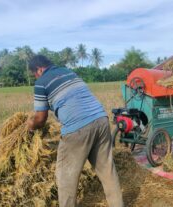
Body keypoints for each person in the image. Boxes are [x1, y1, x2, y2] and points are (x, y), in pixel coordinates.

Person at [27, 55, 123, 207]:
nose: (35, 77)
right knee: (107, 171)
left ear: (39, 69)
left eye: (34, 74)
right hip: (101, 119)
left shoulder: (41, 82)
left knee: (66, 177)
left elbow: (40, 118)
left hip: (77, 129)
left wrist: (29, 127)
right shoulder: (68, 72)